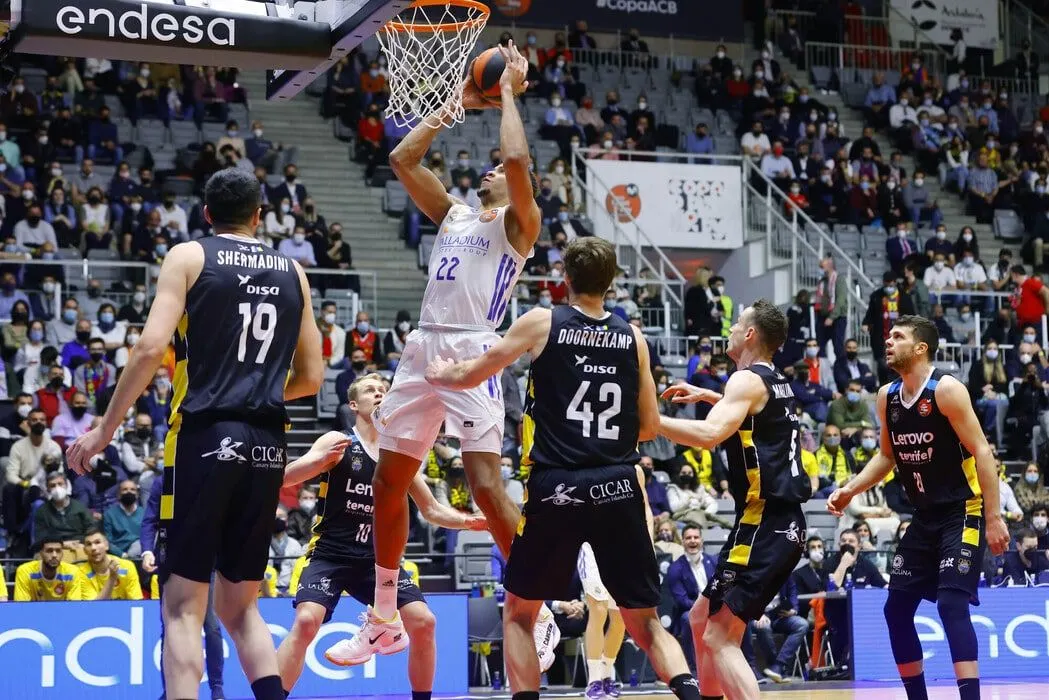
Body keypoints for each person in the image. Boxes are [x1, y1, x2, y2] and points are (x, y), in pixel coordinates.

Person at [66, 167, 324, 700]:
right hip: (268, 441)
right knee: (241, 606)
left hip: (205, 436)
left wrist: (103, 430)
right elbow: (313, 378)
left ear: (206, 214)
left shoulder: (189, 255)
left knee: (183, 605)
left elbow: (147, 348)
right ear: (260, 215)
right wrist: (257, 387)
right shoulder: (293, 271)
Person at [334, 42, 549, 664]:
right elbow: (403, 156)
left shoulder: (518, 225)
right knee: (388, 479)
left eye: (496, 174)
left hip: (474, 350)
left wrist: (507, 88)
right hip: (424, 347)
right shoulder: (456, 215)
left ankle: (532, 606)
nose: (487, 170)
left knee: (484, 486)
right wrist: (454, 102)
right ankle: (383, 617)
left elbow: (515, 156)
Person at [425, 236, 701, 700]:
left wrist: (440, 374)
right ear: (611, 283)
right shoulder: (632, 337)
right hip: (618, 483)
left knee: (519, 612)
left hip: (558, 484)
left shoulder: (542, 321)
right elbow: (650, 427)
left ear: (564, 279)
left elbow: (476, 372)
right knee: (645, 621)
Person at [828, 315, 1009, 700]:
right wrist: (849, 490)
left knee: (950, 604)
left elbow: (982, 452)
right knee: (896, 610)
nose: (888, 341)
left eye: (898, 336)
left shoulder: (946, 391)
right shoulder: (886, 396)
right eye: (889, 335)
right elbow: (886, 457)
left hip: (965, 509)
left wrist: (993, 517)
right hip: (924, 516)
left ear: (921, 347)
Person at [279, 373, 491, 692]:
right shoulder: (338, 440)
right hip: (330, 554)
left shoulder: (399, 455)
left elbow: (431, 509)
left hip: (377, 561)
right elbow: (285, 478)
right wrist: (321, 461)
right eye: (370, 390)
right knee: (307, 621)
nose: (378, 393)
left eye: (383, 390)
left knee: (424, 622)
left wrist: (468, 521)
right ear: (354, 404)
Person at [658, 300, 812, 700]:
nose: (728, 329)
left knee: (720, 637)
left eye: (735, 324)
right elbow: (758, 416)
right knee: (700, 619)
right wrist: (710, 395)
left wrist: (649, 422)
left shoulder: (745, 382)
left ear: (749, 334)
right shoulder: (773, 380)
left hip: (766, 523)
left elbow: (710, 436)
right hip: (770, 521)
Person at [577, 541, 627, 699]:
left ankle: (606, 677)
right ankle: (594, 681)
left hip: (620, 548)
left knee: (620, 619)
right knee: (598, 610)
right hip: (590, 545)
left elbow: (646, 517)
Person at [78, 527, 143, 600]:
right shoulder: (81, 572)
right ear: (85, 550)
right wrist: (112, 577)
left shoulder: (127, 566)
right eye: (89, 544)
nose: (93, 548)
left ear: (107, 546)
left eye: (97, 542)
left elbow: (137, 602)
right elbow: (94, 608)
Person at [14, 536, 85, 600]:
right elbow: (21, 607)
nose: (54, 555)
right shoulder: (25, 571)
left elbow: (74, 608)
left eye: (58, 551)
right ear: (41, 553)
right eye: (49, 551)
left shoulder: (72, 572)